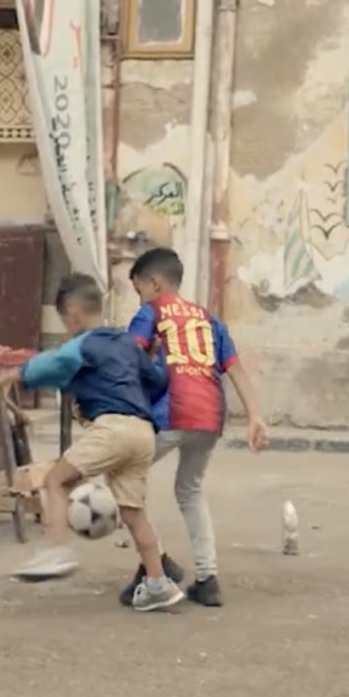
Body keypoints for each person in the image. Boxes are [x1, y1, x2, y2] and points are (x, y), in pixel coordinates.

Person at [0, 273, 181, 610]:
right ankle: (158, 584)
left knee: (56, 480)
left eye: (64, 319)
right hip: (143, 432)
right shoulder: (128, 343)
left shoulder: (83, 345)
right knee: (134, 513)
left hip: (113, 428)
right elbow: (158, 380)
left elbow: (53, 363)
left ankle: (56, 551)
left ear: (73, 313)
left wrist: (5, 377)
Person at [118, 246, 270, 609]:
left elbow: (127, 360)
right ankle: (207, 578)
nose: (139, 298)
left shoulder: (151, 313)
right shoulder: (209, 319)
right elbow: (235, 369)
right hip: (210, 416)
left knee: (123, 476)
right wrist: (255, 416)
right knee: (190, 490)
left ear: (154, 284)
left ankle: (156, 562)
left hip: (171, 412)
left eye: (139, 290)